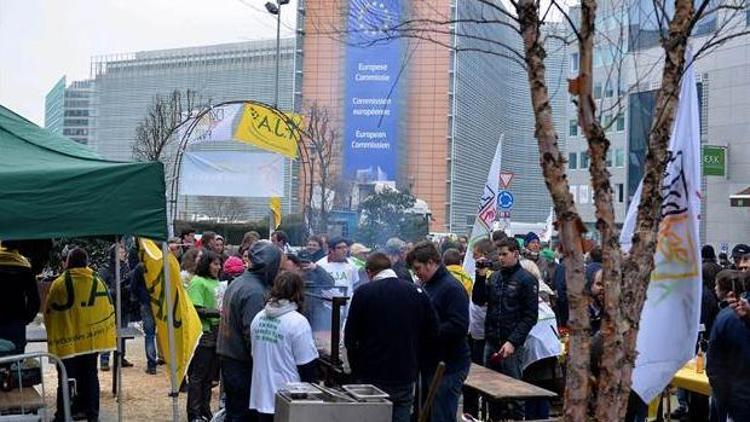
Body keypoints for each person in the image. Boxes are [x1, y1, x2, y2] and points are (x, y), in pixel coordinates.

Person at [345, 253, 438, 422]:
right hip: (404, 373)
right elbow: (432, 333)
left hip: (370, 375)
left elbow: (350, 337)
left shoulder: (363, 293)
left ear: (369, 272)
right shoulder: (417, 292)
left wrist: (356, 370)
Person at [472, 237, 538, 420]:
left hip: (512, 345)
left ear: (515, 254)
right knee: (491, 391)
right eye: (499, 254)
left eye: (504, 254)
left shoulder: (527, 279)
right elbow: (478, 300)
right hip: (492, 341)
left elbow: (530, 316)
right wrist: (480, 276)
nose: (500, 258)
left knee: (515, 392)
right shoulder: (494, 277)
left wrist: (513, 341)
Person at [47, 248, 115, 422]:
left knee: (65, 378)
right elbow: (107, 308)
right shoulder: (97, 281)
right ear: (86, 262)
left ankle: (62, 415)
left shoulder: (60, 283)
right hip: (91, 341)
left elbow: (50, 312)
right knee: (91, 376)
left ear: (68, 262)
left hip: (68, 340)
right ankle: (92, 414)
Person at [217, 241, 282, 422]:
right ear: (269, 266)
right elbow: (253, 335)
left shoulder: (239, 282)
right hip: (242, 363)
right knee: (242, 414)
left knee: (235, 411)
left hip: (230, 357)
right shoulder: (255, 291)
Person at [406, 241, 470, 422]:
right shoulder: (427, 285)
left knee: (441, 416)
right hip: (430, 364)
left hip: (448, 366)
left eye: (418, 268)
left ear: (431, 262)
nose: (416, 273)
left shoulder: (452, 288)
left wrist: (428, 332)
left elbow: (459, 326)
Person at [250, 271, 318, 422]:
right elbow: (306, 365)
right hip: (288, 399)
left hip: (261, 396)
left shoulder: (259, 317)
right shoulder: (298, 322)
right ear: (299, 291)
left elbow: (254, 353)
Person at [707, 270, 750, 421]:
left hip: (733, 394)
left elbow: (714, 360)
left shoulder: (726, 316)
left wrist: (720, 393)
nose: (714, 288)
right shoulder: (738, 315)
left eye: (717, 285)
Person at [186, 251, 222, 422]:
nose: (218, 267)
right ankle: (193, 413)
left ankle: (205, 409)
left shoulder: (216, 282)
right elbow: (195, 308)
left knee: (209, 377)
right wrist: (218, 312)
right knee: (198, 376)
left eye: (219, 264)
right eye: (215, 264)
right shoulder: (198, 282)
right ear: (207, 264)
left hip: (217, 334)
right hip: (204, 333)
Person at [0, 240, 40, 355]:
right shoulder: (25, 268)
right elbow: (35, 301)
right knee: (15, 363)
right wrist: (25, 319)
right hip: (15, 324)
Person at [99, 244, 134, 371]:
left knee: (122, 333)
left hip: (124, 305)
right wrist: (114, 290)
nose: (123, 253)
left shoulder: (125, 267)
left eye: (124, 251)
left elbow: (130, 284)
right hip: (110, 306)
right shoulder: (106, 268)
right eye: (120, 251)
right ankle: (104, 360)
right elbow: (102, 287)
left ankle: (120, 358)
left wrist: (127, 288)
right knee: (108, 333)